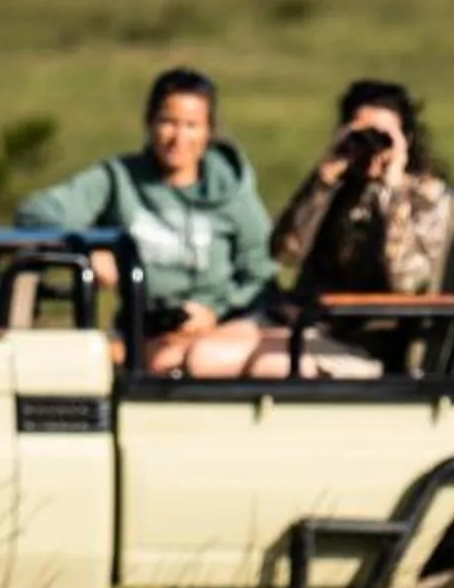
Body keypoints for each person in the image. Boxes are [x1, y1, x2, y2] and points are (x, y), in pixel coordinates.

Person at [17, 67, 279, 376]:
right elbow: (36, 212)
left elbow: (262, 276)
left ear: (209, 131)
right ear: (149, 123)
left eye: (192, 125)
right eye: (168, 122)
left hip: (216, 331)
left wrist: (214, 312)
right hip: (140, 329)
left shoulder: (232, 194)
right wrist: (85, 248)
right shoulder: (120, 178)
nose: (178, 138)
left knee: (172, 361)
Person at [271, 79, 454, 296]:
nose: (372, 148)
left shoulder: (425, 195)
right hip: (313, 312)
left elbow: (407, 282)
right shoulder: (336, 189)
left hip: (377, 319)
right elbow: (286, 253)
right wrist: (321, 183)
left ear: (405, 141)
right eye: (362, 136)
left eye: (383, 138)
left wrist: (393, 192)